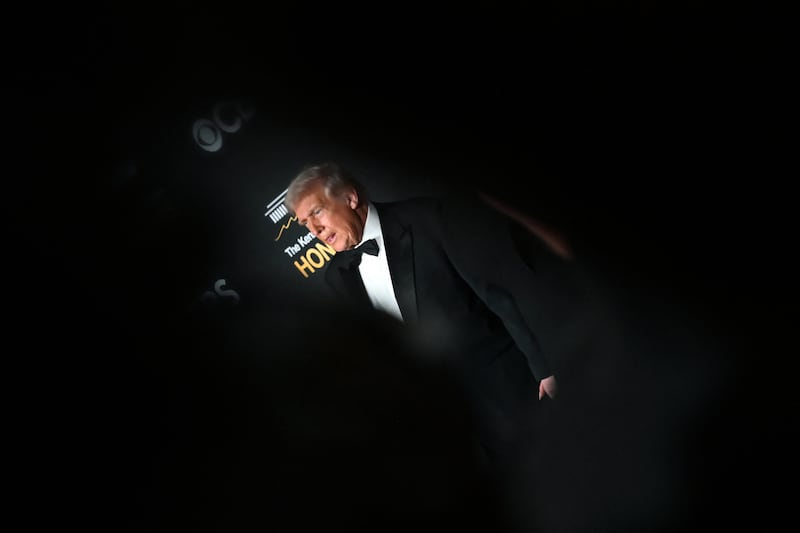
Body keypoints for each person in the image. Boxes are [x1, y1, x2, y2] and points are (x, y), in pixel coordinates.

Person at [284, 162, 577, 477]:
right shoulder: (336, 279)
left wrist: (545, 369)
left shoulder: (429, 219)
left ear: (351, 198)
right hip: (452, 434)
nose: (314, 231)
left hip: (512, 396)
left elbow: (500, 295)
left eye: (317, 213)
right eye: (304, 224)